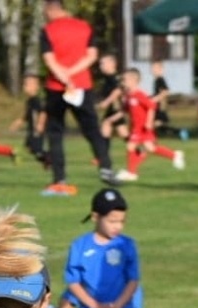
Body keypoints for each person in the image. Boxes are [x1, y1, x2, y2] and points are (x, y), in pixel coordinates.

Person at [39, 0, 117, 197]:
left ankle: (60, 178)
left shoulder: (48, 30)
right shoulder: (84, 27)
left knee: (55, 132)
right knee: (92, 129)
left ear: (50, 8)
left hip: (57, 87)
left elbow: (49, 59)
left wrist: (64, 77)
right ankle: (105, 167)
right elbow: (91, 55)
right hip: (81, 84)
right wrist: (73, 74)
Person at [58, 188, 142, 308]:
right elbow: (73, 282)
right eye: (112, 221)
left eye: (121, 221)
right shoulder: (80, 245)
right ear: (95, 217)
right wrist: (95, 307)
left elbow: (133, 281)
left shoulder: (126, 245)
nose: (118, 226)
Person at [120, 67, 184, 178]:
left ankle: (131, 172)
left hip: (143, 128)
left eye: (124, 80)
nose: (123, 82)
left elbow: (152, 106)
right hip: (136, 127)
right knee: (150, 148)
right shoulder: (129, 95)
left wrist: (149, 121)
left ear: (133, 80)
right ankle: (174, 155)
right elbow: (126, 110)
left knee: (131, 146)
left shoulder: (140, 95)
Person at [12, 73, 49, 169]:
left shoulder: (37, 100)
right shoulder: (29, 101)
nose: (24, 87)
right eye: (24, 84)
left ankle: (51, 158)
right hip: (31, 129)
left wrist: (40, 124)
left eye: (26, 85)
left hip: (36, 129)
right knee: (29, 147)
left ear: (35, 87)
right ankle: (47, 160)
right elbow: (28, 114)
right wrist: (19, 121)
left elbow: (43, 112)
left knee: (36, 148)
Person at [95, 54, 126, 140]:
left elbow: (118, 90)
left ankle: (103, 152)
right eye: (100, 64)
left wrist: (106, 102)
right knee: (121, 131)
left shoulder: (115, 77)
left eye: (103, 63)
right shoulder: (108, 78)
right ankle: (137, 151)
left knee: (106, 125)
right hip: (112, 109)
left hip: (117, 108)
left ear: (112, 64)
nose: (101, 66)